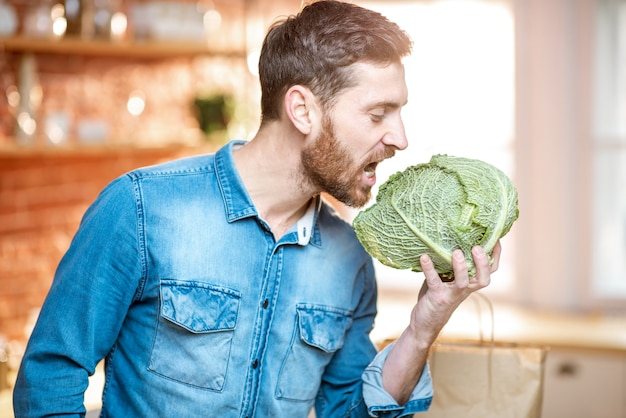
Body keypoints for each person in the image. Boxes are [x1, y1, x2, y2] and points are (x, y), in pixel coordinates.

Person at [13, 1, 500, 417]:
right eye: (377, 114)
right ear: (302, 110)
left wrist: (421, 329)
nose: (400, 138)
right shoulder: (141, 209)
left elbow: (349, 410)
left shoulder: (348, 258)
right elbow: (51, 374)